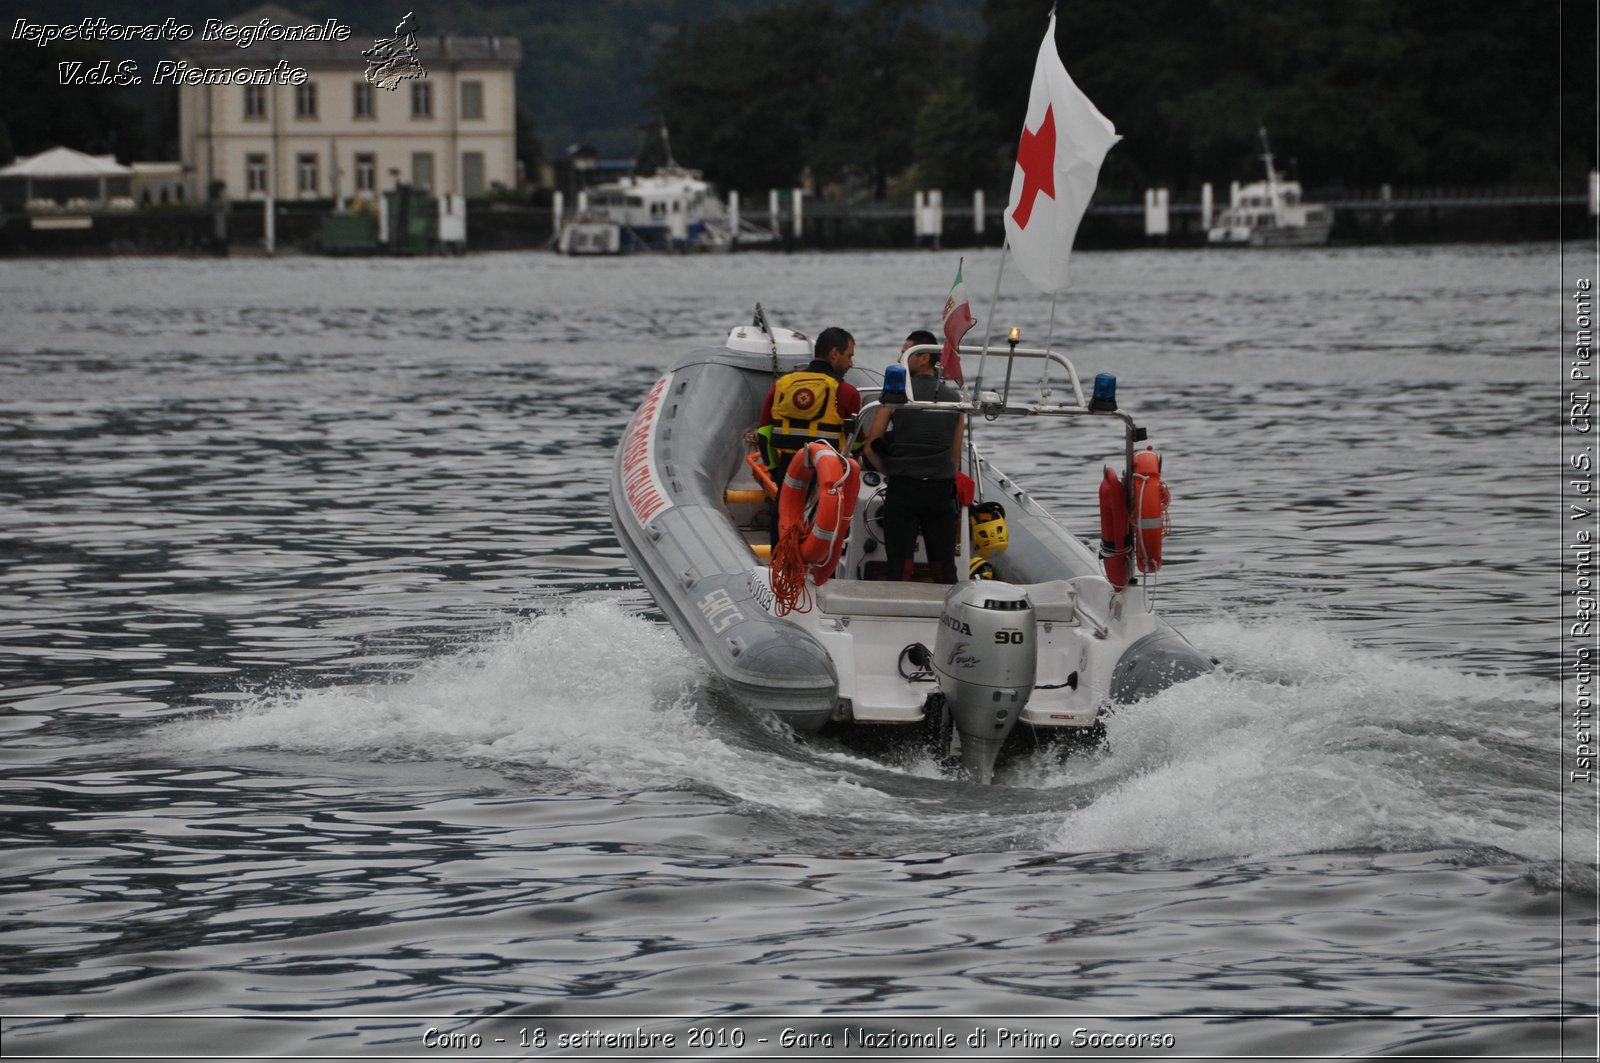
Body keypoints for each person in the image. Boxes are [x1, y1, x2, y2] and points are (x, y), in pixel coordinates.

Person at [863, 330, 964, 582]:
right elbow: (955, 456)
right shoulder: (955, 400)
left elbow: (870, 446)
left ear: (924, 358)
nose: (900, 357)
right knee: (944, 567)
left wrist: (892, 470)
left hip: (903, 488)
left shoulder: (895, 396)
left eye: (906, 351)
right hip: (940, 491)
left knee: (899, 565)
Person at [758, 327, 862, 542]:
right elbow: (857, 443)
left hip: (787, 471)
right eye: (849, 356)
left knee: (782, 528)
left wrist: (775, 471)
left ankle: (778, 570)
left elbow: (764, 434)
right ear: (835, 353)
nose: (851, 364)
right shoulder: (846, 392)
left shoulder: (782, 385)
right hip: (828, 476)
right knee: (822, 536)